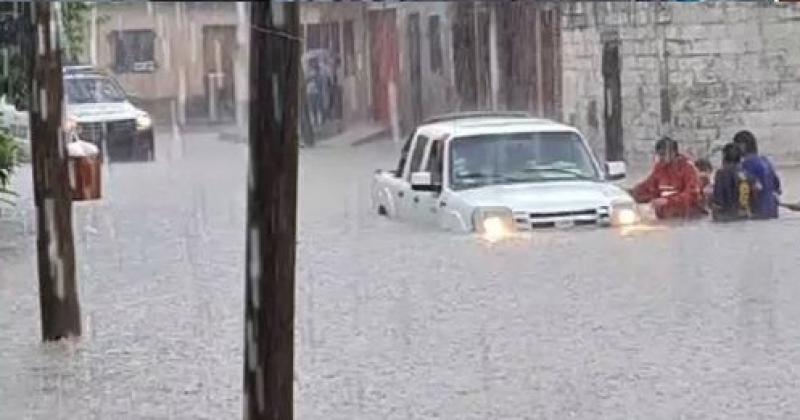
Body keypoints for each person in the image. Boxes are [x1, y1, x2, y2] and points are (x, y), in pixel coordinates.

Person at [631, 136, 704, 219]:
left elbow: (692, 195)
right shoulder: (659, 167)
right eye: (658, 154)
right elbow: (649, 185)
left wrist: (668, 201)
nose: (660, 158)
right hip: (664, 215)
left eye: (663, 154)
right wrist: (633, 192)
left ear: (673, 153)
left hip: (686, 215)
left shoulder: (688, 168)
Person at [733, 130, 781, 219]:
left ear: (742, 146)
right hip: (772, 210)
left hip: (757, 212)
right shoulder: (766, 161)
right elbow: (777, 187)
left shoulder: (746, 164)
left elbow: (745, 187)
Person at [711, 143, 752, 222]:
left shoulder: (721, 173)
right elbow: (757, 188)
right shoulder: (746, 173)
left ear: (724, 156)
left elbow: (718, 201)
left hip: (726, 218)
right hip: (744, 216)